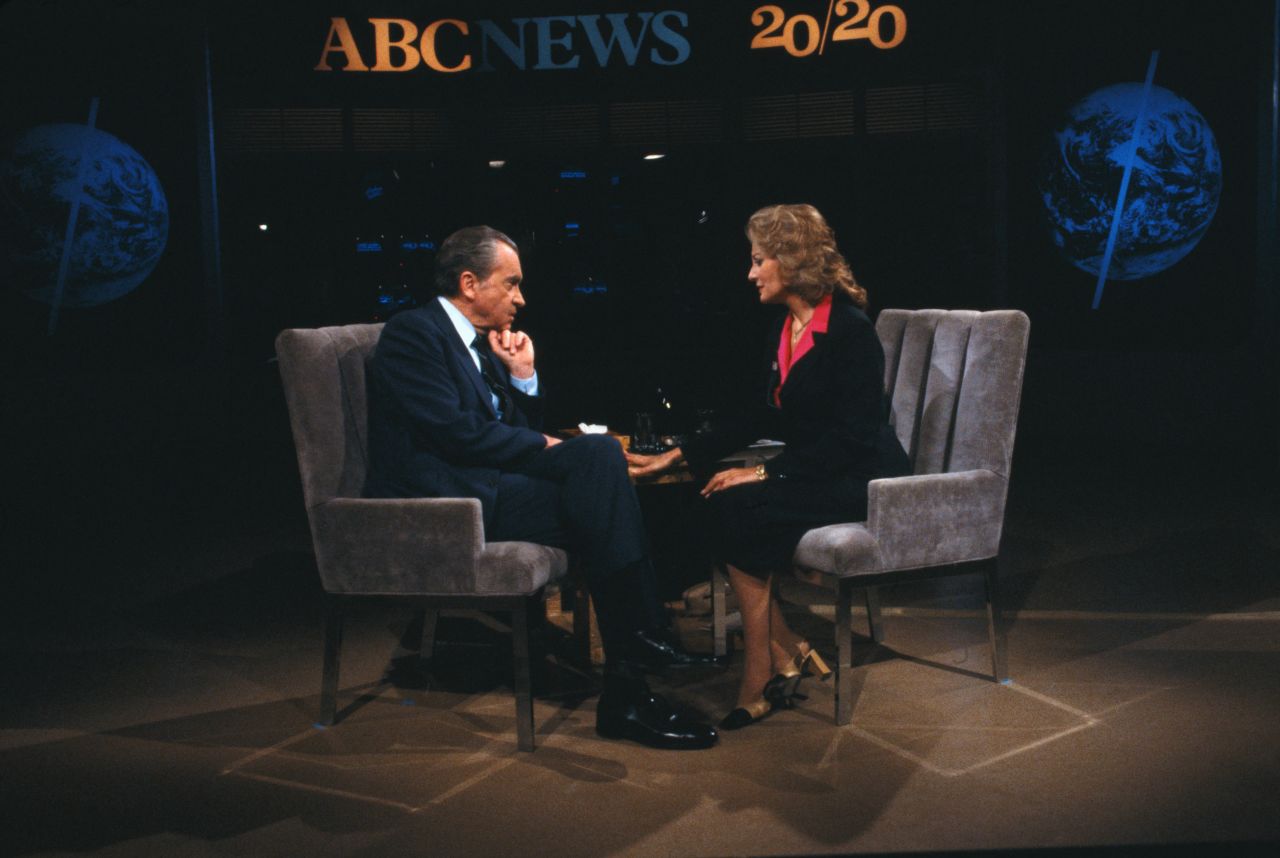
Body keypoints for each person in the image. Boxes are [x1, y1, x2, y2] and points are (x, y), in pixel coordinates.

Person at [364, 225, 719, 750]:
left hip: (492, 487)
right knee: (598, 464)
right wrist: (551, 449)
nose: (521, 298)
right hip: (449, 505)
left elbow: (512, 427)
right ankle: (640, 651)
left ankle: (632, 674)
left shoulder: (477, 346)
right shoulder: (412, 334)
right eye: (511, 284)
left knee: (600, 486)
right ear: (469, 282)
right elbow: (457, 434)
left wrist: (523, 376)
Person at [627, 204, 911, 730]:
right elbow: (761, 413)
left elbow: (851, 440)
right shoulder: (785, 327)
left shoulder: (850, 333)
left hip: (861, 477)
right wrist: (680, 454)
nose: (750, 273)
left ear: (790, 260)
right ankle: (784, 651)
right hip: (816, 470)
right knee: (718, 500)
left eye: (759, 260)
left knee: (740, 507)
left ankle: (761, 670)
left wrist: (763, 474)